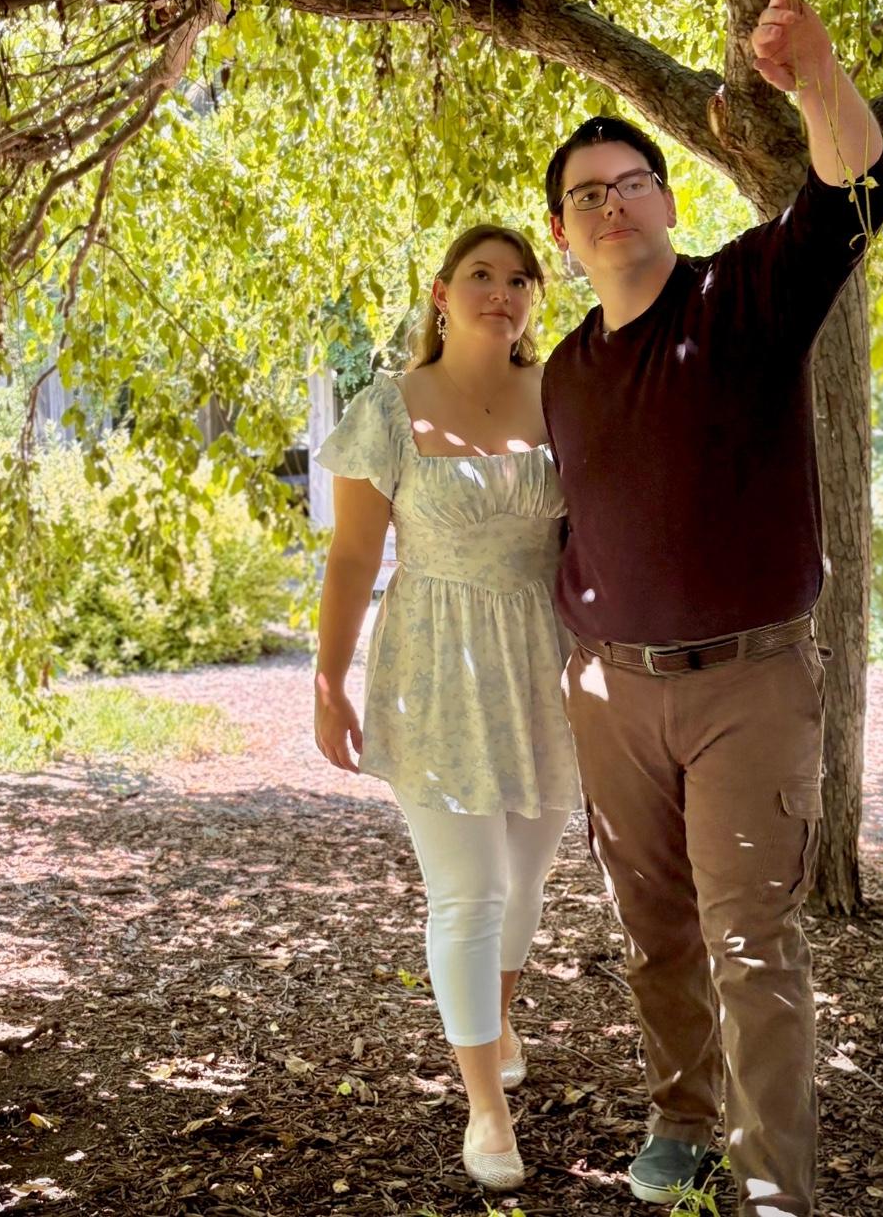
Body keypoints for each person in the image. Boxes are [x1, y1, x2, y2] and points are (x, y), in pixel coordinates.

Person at [541, 0, 883, 1217]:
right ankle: (682, 1119)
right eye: (585, 195)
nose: (610, 203)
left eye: (629, 181)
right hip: (612, 697)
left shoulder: (743, 294)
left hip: (748, 687)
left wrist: (818, 76)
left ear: (668, 200)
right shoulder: (562, 373)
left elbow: (859, 191)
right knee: (653, 933)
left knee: (752, 947)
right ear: (561, 235)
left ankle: (773, 1186)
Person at [312, 226, 581, 1193]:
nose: (500, 293)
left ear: (534, 297)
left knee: (525, 882)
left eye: (519, 279)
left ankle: (496, 1019)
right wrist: (328, 679)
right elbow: (352, 557)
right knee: (469, 890)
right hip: (433, 663)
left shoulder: (565, 394)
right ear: (440, 292)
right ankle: (485, 1107)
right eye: (480, 276)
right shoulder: (388, 407)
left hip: (547, 661)